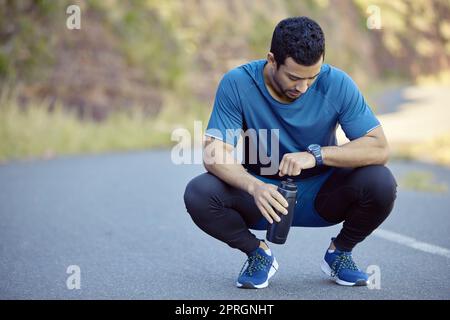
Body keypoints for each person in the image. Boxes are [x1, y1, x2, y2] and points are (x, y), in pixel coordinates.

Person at [183, 16, 397, 289]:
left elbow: (378, 146)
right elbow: (215, 152)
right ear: (272, 60)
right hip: (264, 197)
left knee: (381, 182)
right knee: (199, 192)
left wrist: (316, 155)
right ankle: (257, 253)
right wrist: (255, 187)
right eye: (294, 77)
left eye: (312, 77)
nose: (303, 87)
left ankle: (340, 253)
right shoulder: (237, 83)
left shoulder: (338, 83)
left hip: (323, 195)